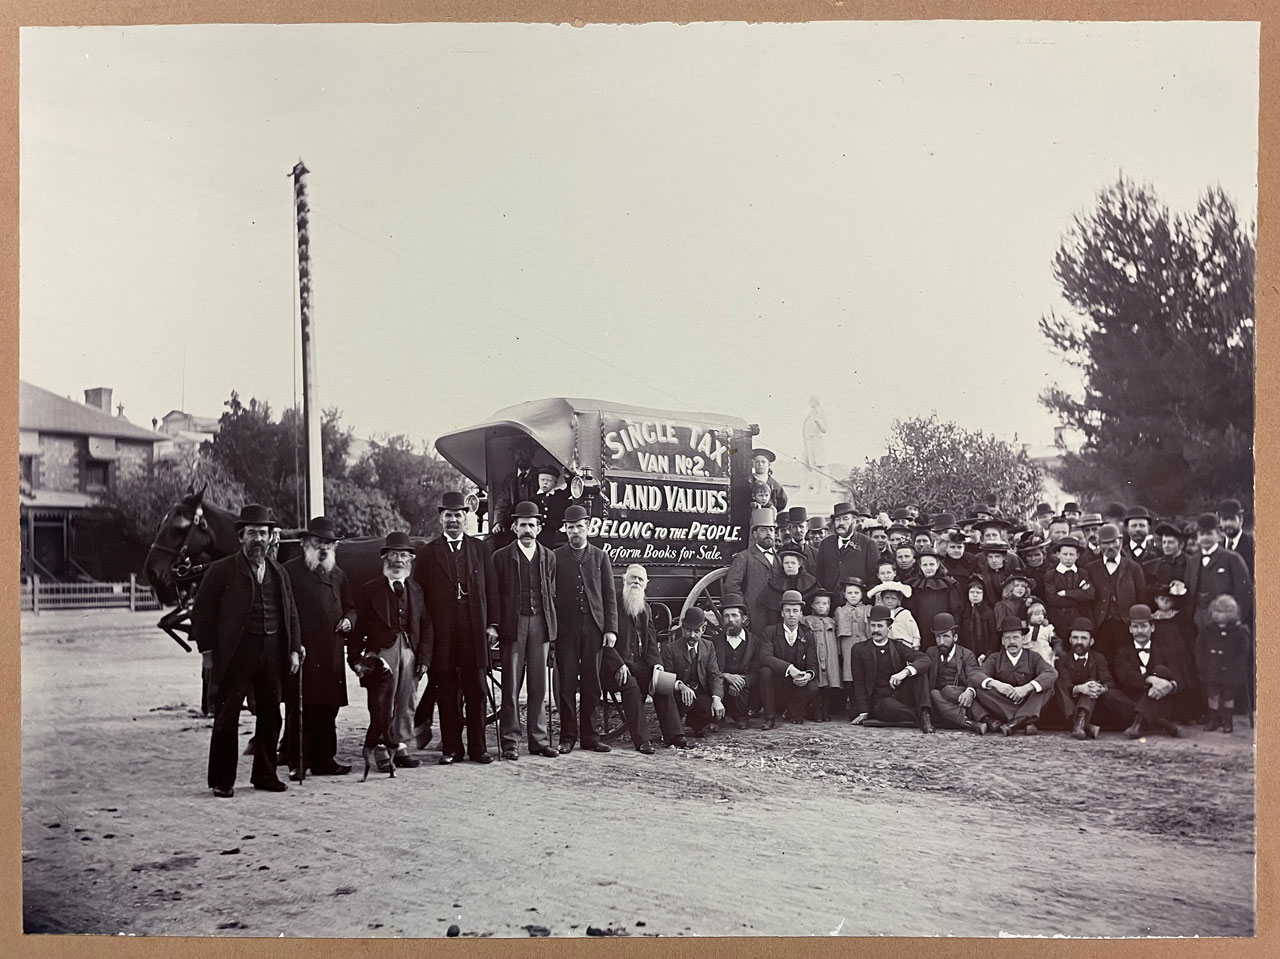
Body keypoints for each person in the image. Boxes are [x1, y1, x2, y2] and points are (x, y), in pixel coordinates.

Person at [192, 504, 303, 798]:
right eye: (252, 533)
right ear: (241, 537)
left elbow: (290, 612)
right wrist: (207, 653)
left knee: (271, 715)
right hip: (235, 653)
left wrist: (293, 650)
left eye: (263, 533)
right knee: (227, 717)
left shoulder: (279, 572)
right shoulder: (221, 571)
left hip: (271, 653)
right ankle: (222, 780)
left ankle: (265, 774)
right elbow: (201, 614)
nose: (258, 539)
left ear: (270, 538)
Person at [416, 491, 494, 766]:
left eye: (457, 515)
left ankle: (478, 748)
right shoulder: (427, 553)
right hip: (442, 633)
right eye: (448, 515)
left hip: (473, 631)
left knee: (477, 690)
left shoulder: (480, 549)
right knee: (446, 691)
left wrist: (492, 625)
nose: (453, 520)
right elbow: (419, 596)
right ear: (440, 519)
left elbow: (492, 590)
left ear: (465, 518)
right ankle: (451, 748)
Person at [281, 516, 357, 778]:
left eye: (328, 543)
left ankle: (325, 760)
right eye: (318, 542)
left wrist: (349, 619)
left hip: (332, 652)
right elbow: (285, 612)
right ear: (305, 544)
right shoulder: (290, 572)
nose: (324, 548)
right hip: (303, 652)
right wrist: (293, 644)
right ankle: (297, 762)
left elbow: (351, 607)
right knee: (300, 709)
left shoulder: (339, 574)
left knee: (328, 708)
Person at [349, 531, 431, 772]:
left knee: (407, 700)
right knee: (382, 702)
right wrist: (356, 659)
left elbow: (426, 624)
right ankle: (381, 748)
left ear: (410, 560)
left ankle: (401, 745)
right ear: (385, 558)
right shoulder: (369, 590)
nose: (398, 560)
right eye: (394, 555)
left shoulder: (416, 590)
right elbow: (358, 628)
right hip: (381, 652)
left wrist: (424, 657)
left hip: (410, 651)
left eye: (404, 555)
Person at [487, 501, 559, 760]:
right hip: (512, 625)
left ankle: (538, 740)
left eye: (531, 525)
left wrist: (551, 626)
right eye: (522, 525)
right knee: (511, 685)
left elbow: (550, 592)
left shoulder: (548, 556)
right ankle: (510, 741)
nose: (527, 530)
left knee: (539, 685)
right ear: (514, 527)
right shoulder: (501, 557)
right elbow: (494, 595)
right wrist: (494, 625)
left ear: (539, 528)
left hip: (540, 623)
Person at [552, 505, 618, 754]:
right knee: (566, 683)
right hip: (566, 629)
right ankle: (567, 736)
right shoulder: (556, 557)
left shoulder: (600, 557)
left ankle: (590, 737)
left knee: (592, 683)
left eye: (579, 527)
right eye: (571, 528)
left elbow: (609, 596)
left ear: (588, 527)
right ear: (566, 530)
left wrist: (610, 629)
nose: (575, 532)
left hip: (593, 628)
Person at [600, 564, 686, 751]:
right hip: (613, 666)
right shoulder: (612, 606)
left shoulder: (645, 609)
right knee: (631, 685)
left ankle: (674, 735)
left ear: (646, 584)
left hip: (638, 664)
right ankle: (642, 740)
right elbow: (603, 642)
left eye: (640, 579)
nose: (636, 582)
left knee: (661, 682)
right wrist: (618, 665)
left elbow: (652, 643)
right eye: (633, 578)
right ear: (624, 580)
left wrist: (657, 665)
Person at [849, 605, 933, 732]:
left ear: (889, 628)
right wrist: (863, 711)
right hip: (880, 701)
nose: (875, 630)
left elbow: (924, 659)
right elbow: (859, 682)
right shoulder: (859, 649)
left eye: (880, 626)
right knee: (887, 707)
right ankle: (926, 717)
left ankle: (925, 714)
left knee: (919, 672)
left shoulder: (898, 646)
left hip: (900, 694)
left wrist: (904, 672)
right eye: (873, 625)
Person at [971, 616, 1056, 735]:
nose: (1011, 642)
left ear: (1023, 638)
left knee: (1048, 686)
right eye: (1007, 638)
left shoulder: (1033, 657)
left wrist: (1026, 688)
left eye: (1015, 637)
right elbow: (975, 674)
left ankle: (1015, 722)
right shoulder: (995, 658)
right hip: (1004, 703)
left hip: (1028, 701)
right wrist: (997, 684)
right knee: (981, 689)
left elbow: (1051, 673)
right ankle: (1024, 720)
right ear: (1002, 641)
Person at [1112, 604, 1184, 739]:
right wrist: (1151, 679)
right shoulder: (1122, 652)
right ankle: (1160, 723)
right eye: (1135, 626)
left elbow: (1180, 678)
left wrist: (1170, 686)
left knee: (1160, 670)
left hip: (1161, 702)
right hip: (1133, 701)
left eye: (1144, 626)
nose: (1140, 631)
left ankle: (1138, 724)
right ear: (1130, 629)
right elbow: (1126, 677)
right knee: (1111, 695)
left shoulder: (1165, 651)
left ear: (1152, 627)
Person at [1054, 617, 1133, 738]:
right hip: (1069, 704)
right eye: (1075, 638)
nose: (1079, 642)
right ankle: (1080, 724)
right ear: (1070, 640)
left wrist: (1101, 688)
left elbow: (1109, 682)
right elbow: (1065, 686)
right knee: (1058, 684)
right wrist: (1080, 688)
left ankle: (1080, 724)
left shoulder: (1098, 658)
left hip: (1093, 704)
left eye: (1083, 638)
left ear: (1091, 641)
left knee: (1092, 682)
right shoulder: (1063, 661)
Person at [757, 590, 821, 726]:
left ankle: (794, 709)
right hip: (776, 684)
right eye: (787, 610)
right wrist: (789, 668)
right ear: (782, 613)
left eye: (795, 611)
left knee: (813, 686)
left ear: (801, 613)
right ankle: (769, 718)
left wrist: (807, 676)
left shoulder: (807, 634)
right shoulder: (771, 632)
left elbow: (812, 665)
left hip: (796, 687)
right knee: (765, 671)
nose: (791, 614)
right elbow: (765, 657)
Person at [1086, 523, 1147, 663]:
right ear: (1099, 544)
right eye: (1105, 543)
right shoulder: (1090, 569)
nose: (1110, 547)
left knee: (1126, 661)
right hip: (1100, 626)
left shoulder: (1133, 568)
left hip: (1125, 625)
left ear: (1120, 540)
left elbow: (1141, 598)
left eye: (1114, 541)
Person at [661, 607, 726, 737]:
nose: (692, 635)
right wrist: (680, 686)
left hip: (699, 693)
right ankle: (671, 730)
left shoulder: (708, 646)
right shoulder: (670, 648)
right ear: (683, 628)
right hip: (678, 694)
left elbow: (715, 674)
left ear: (703, 628)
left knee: (710, 707)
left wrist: (717, 699)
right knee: (676, 702)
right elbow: (665, 675)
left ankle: (695, 724)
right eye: (688, 630)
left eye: (696, 631)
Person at [711, 592, 772, 730]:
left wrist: (740, 680)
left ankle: (741, 716)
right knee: (716, 685)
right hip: (722, 685)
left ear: (743, 619)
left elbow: (757, 672)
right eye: (726, 616)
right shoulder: (714, 643)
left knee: (742, 686)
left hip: (745, 691)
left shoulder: (755, 642)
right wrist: (726, 676)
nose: (730, 620)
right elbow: (711, 669)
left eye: (734, 615)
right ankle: (718, 717)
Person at [1185, 513, 1254, 630]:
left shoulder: (1232, 558)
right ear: (1197, 537)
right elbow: (1188, 589)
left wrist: (1237, 619)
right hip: (1198, 620)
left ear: (1218, 535)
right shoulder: (1193, 561)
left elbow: (1245, 592)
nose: (1205, 538)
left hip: (1225, 620)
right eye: (1202, 534)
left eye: (1209, 534)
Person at [1196, 594, 1252, 733]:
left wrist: (1237, 665)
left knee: (1228, 697)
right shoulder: (1208, 629)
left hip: (1231, 671)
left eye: (1226, 611)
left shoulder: (1239, 631)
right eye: (1218, 611)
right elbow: (1200, 647)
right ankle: (1214, 720)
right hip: (1212, 669)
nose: (1221, 615)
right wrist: (1203, 663)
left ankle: (1228, 722)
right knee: (1213, 695)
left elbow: (1244, 651)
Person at [924, 613, 986, 734]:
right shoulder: (931, 652)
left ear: (955, 637)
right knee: (934, 693)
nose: (941, 641)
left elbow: (974, 675)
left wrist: (970, 691)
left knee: (948, 690)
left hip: (960, 694)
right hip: (941, 701)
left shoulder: (967, 654)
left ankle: (973, 719)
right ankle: (970, 723)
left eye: (946, 637)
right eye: (938, 637)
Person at [724, 507, 779, 632]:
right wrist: (744, 609)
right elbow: (731, 585)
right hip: (755, 617)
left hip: (776, 617)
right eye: (763, 530)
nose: (769, 533)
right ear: (755, 534)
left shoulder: (779, 558)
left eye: (771, 530)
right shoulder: (744, 557)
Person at [816, 503, 882, 601]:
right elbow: (820, 574)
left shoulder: (868, 544)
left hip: (858, 603)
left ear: (854, 521)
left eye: (845, 519)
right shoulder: (826, 544)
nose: (841, 523)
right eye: (838, 519)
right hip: (831, 603)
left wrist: (864, 598)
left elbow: (874, 577)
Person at [490, 436, 540, 547]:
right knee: (492, 543)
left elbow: (540, 503)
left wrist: (520, 522)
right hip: (511, 528)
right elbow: (501, 503)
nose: (521, 457)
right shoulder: (509, 480)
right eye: (517, 453)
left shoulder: (539, 477)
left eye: (525, 452)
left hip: (533, 525)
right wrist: (498, 522)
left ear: (532, 455)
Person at [1042, 537, 1096, 638]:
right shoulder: (1051, 575)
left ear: (1077, 556)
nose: (1068, 558)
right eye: (1065, 554)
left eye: (1072, 554)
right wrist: (1080, 597)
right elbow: (1053, 599)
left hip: (1081, 618)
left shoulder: (1082, 573)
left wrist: (1066, 593)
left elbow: (1090, 594)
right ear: (1058, 555)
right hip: (1059, 621)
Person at [805, 590, 841, 719]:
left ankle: (826, 711)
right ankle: (816, 710)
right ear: (812, 605)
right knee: (817, 683)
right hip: (815, 654)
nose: (822, 606)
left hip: (830, 656)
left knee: (829, 683)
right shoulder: (807, 620)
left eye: (825, 603)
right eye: (818, 603)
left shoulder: (832, 621)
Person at [764, 547, 820, 623]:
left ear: (799, 564)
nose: (789, 566)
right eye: (786, 563)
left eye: (793, 563)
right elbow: (772, 611)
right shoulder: (776, 583)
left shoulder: (810, 582)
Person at [867, 581, 919, 649]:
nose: (890, 601)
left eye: (893, 599)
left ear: (898, 600)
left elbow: (915, 632)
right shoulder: (879, 614)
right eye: (887, 598)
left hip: (904, 645)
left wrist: (915, 646)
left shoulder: (905, 613)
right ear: (882, 599)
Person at [532, 465, 570, 550]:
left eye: (549, 480)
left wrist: (568, 477)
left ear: (555, 482)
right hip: (538, 536)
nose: (545, 483)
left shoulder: (560, 496)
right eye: (542, 480)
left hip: (556, 536)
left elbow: (571, 489)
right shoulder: (533, 498)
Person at [959, 575, 998, 660]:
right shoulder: (964, 612)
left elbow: (994, 635)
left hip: (984, 654)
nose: (975, 595)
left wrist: (988, 653)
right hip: (967, 654)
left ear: (983, 594)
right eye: (972, 592)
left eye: (978, 592)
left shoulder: (989, 612)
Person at [1217, 499, 1254, 576]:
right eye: (1224, 519)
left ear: (1241, 520)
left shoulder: (1252, 545)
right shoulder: (1218, 547)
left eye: (1232, 519)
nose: (1228, 523)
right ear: (1220, 521)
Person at [748, 447, 788, 513]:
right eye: (757, 462)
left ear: (769, 464)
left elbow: (783, 500)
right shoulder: (749, 481)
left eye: (763, 462)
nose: (760, 464)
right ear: (753, 464)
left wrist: (773, 510)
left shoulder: (775, 484)